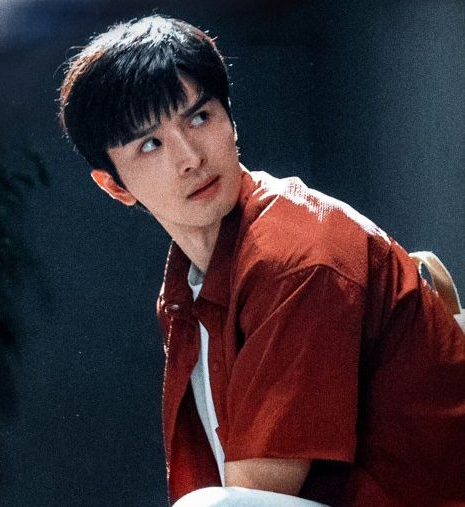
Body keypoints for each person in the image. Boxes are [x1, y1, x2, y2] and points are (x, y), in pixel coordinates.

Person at [58, 15, 465, 506]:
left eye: (199, 117)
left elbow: (252, 497)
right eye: (150, 144)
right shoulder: (187, 283)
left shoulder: (295, 256)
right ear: (114, 185)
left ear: (230, 121)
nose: (190, 158)